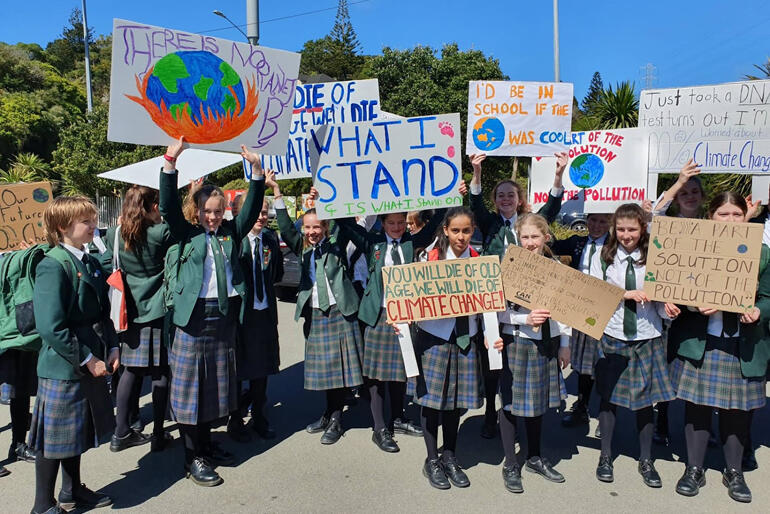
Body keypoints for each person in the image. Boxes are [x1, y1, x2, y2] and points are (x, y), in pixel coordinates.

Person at [160, 137, 265, 487]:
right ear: (198, 210)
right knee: (191, 391)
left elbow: (251, 209)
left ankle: (207, 444)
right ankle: (193, 457)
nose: (213, 216)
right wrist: (170, 164)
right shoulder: (186, 234)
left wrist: (255, 172)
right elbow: (168, 208)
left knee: (212, 389)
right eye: (207, 210)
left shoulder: (230, 234)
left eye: (218, 210)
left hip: (222, 318)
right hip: (192, 321)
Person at [669, 193, 770, 503]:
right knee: (696, 410)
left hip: (743, 345)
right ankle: (694, 468)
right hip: (704, 343)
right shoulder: (695, 247)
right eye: (722, 214)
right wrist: (694, 304)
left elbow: (767, 298)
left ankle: (734, 471)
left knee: (737, 413)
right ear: (711, 216)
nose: (729, 221)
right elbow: (675, 287)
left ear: (747, 216)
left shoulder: (763, 253)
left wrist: (757, 312)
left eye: (735, 214)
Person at [336, 203, 455, 453]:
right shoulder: (373, 242)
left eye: (401, 222)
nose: (397, 227)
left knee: (401, 371)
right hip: (379, 315)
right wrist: (332, 203)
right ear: (382, 223)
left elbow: (435, 223)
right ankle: (379, 427)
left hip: (405, 315)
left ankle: (398, 418)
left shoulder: (413, 241)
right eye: (391, 223)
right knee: (377, 375)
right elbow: (346, 226)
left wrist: (449, 197)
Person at [29, 196, 118, 513]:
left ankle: (71, 491)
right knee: (54, 440)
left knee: (76, 433)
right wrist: (87, 358)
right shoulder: (52, 264)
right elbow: (51, 327)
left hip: (90, 358)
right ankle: (42, 504)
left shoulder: (89, 260)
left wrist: (113, 346)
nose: (93, 224)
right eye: (86, 221)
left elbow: (103, 313)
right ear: (63, 227)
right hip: (65, 366)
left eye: (92, 218)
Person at [469, 152, 566, 438]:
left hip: (525, 302)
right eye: (500, 195)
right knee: (492, 363)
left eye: (511, 194)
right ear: (495, 199)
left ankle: (519, 412)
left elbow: (553, 205)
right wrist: (476, 171)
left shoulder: (531, 224)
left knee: (516, 362)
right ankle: (490, 414)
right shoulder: (489, 223)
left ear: (519, 198)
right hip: (495, 300)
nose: (506, 199)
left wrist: (558, 175)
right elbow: (474, 203)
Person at [594, 203, 678, 488]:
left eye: (632, 229)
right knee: (609, 398)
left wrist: (669, 309)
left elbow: (661, 303)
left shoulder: (655, 258)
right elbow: (593, 293)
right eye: (621, 229)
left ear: (642, 229)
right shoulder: (603, 256)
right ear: (614, 230)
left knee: (645, 401)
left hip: (647, 335)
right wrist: (625, 294)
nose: (626, 235)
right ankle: (605, 456)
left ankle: (646, 459)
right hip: (614, 334)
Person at [273, 182, 363, 446]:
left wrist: (326, 200)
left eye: (317, 227)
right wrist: (277, 195)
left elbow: (343, 222)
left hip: (340, 311)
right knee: (326, 371)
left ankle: (336, 418)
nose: (312, 232)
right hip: (315, 313)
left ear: (325, 228)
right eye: (308, 227)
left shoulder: (336, 244)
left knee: (339, 370)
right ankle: (328, 413)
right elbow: (286, 227)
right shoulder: (302, 248)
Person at [409, 207, 490, 490]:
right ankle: (431, 459)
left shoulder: (481, 261)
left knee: (456, 402)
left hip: (467, 338)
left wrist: (491, 336)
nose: (461, 236)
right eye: (455, 230)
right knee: (432, 402)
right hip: (435, 337)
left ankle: (450, 455)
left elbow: (489, 305)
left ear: (473, 230)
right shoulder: (428, 259)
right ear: (445, 230)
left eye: (466, 231)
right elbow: (409, 298)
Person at [490, 213, 571, 493]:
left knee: (537, 404)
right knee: (511, 404)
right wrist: (526, 320)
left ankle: (534, 457)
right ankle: (511, 464)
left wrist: (565, 344)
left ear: (545, 238)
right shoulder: (507, 267)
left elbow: (567, 311)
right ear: (517, 238)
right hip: (516, 341)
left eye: (534, 237)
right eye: (524, 237)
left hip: (546, 344)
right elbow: (496, 313)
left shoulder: (555, 267)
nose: (529, 242)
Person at [99, 186, 175, 454]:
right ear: (152, 206)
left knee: (129, 370)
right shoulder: (160, 233)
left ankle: (120, 432)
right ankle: (157, 433)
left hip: (127, 311)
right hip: (156, 309)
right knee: (160, 371)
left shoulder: (114, 234)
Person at [226, 182, 284, 442]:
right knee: (238, 369)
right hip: (241, 315)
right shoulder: (234, 241)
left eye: (264, 211)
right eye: (256, 211)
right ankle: (235, 419)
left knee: (262, 368)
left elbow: (278, 273)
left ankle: (259, 415)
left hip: (264, 312)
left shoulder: (270, 239)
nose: (261, 216)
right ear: (241, 213)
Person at [553, 213, 611, 433]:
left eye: (603, 221)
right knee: (584, 366)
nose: (596, 225)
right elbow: (553, 245)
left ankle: (606, 413)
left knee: (604, 364)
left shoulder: (616, 246)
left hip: (606, 311)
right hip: (581, 311)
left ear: (610, 223)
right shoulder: (577, 242)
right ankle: (582, 408)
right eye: (593, 220)